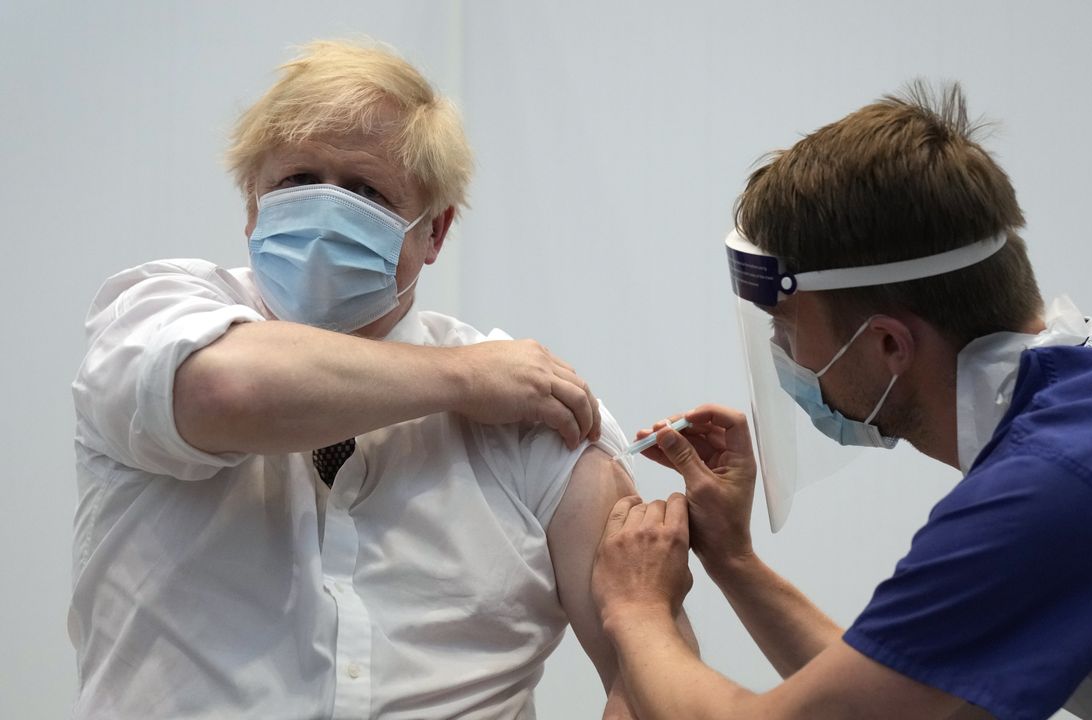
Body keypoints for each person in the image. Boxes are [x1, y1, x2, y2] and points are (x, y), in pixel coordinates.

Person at [590, 82, 1092, 719]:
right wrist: (733, 559)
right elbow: (897, 695)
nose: (785, 359)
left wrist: (635, 606)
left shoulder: (1062, 486)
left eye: (787, 330)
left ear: (888, 345)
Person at [69, 39, 681, 719]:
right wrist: (461, 382)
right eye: (297, 180)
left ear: (435, 232)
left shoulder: (529, 406)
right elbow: (224, 392)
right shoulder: (154, 316)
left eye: (366, 192)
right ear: (251, 205)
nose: (325, 211)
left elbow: (652, 676)